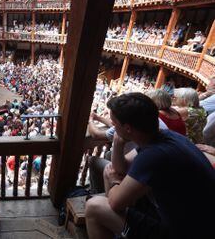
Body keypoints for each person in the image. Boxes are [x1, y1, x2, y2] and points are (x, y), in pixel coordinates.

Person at [84, 93, 215, 239]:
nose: (113, 127)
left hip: (183, 232)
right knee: (111, 175)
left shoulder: (154, 155)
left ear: (128, 128)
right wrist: (118, 143)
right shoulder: (164, 137)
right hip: (194, 221)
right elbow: (121, 168)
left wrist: (115, 181)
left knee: (94, 207)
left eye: (114, 124)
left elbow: (115, 203)